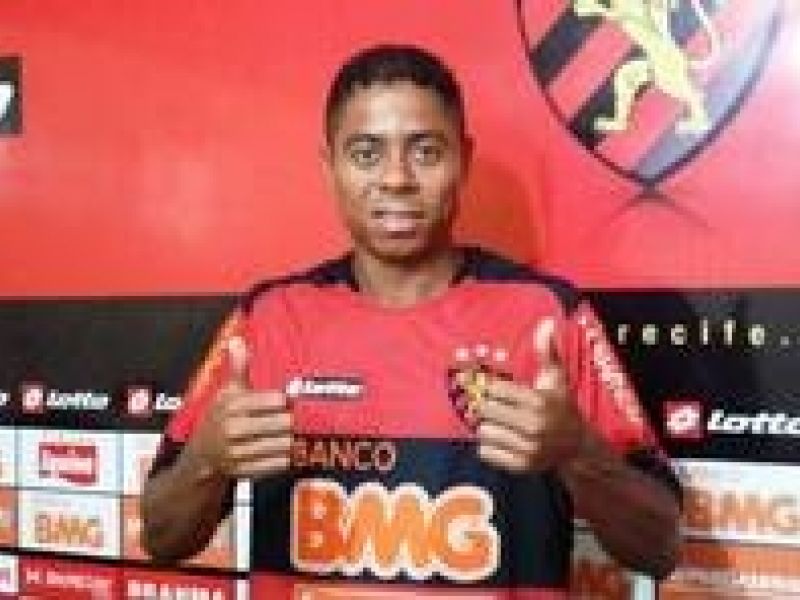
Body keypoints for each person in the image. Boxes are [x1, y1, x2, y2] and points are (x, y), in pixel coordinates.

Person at [141, 44, 681, 598]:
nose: (396, 178)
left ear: (463, 160)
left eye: (426, 151)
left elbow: (661, 547)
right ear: (330, 167)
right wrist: (206, 461)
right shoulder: (269, 318)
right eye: (366, 153)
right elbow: (162, 538)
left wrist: (578, 452)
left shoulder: (546, 316)